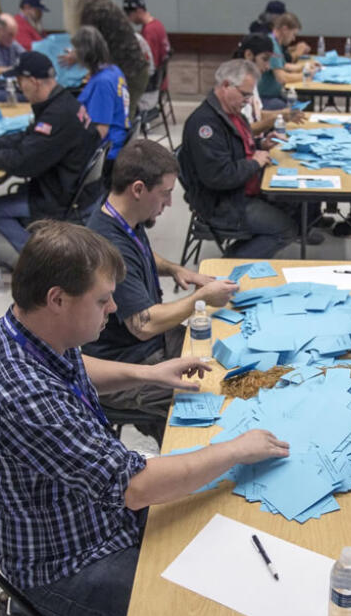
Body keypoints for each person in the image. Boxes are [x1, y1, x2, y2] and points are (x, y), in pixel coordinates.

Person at [0, 220, 289, 616]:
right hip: (63, 563)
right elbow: (134, 489)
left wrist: (147, 372)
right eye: (103, 300)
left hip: (90, 514)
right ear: (58, 299)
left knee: (222, 515)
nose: (114, 310)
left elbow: (73, 366)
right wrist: (234, 450)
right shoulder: (21, 395)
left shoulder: (24, 332)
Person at [83, 141, 239, 437]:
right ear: (138, 189)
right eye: (165, 193)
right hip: (127, 361)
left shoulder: (121, 213)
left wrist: (174, 269)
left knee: (223, 351)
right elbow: (144, 324)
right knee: (216, 391)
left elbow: (139, 252)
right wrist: (199, 299)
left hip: (146, 346)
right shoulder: (107, 242)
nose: (169, 203)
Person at [0, 51, 100, 252]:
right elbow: (26, 138)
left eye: (20, 81)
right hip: (75, 186)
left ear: (33, 81)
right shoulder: (63, 101)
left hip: (62, 198)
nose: (20, 87)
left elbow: (22, 164)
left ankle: (38, 259)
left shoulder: (54, 118)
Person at [179, 59, 297, 258]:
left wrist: (261, 145)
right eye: (245, 94)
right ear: (226, 86)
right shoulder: (205, 124)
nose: (249, 100)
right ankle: (229, 265)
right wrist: (254, 163)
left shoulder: (233, 114)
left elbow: (237, 148)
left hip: (240, 191)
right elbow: (218, 176)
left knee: (295, 203)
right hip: (223, 203)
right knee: (287, 229)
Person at [60, 0, 149, 120]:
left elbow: (91, 46)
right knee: (123, 119)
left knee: (120, 121)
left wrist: (76, 55)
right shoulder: (102, 4)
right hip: (134, 71)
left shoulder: (92, 11)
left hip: (129, 74)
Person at [73, 25, 130, 163]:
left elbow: (101, 130)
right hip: (117, 141)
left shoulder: (102, 83)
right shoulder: (114, 71)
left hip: (107, 152)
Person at [257, 12, 315, 109]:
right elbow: (282, 78)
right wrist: (306, 76)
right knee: (296, 105)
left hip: (273, 94)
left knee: (303, 99)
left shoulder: (274, 42)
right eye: (293, 34)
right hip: (266, 97)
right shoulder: (271, 45)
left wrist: (306, 66)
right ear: (285, 29)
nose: (293, 39)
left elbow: (285, 66)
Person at [122, 0, 171, 73]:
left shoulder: (149, 31)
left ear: (138, 11)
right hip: (161, 80)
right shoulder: (157, 24)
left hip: (154, 82)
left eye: (129, 14)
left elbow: (150, 62)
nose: (128, 18)